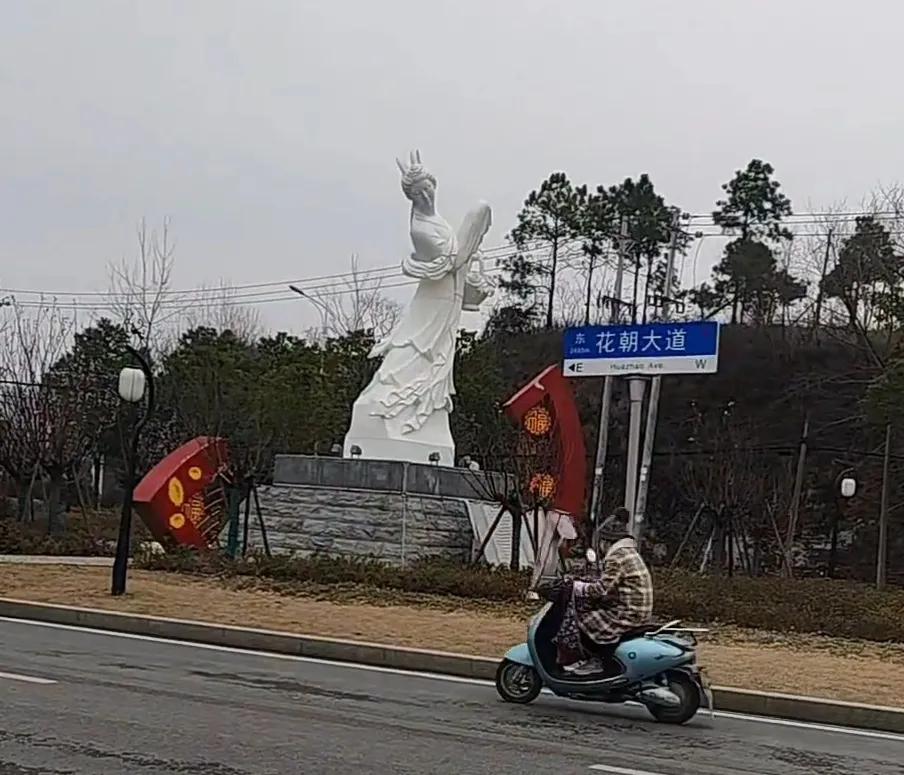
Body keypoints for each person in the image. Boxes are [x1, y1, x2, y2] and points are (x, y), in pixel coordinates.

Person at [553, 507, 654, 676]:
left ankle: (598, 661)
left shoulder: (616, 557)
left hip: (628, 613)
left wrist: (577, 587)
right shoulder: (628, 552)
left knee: (581, 618)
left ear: (607, 542)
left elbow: (601, 589)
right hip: (636, 609)